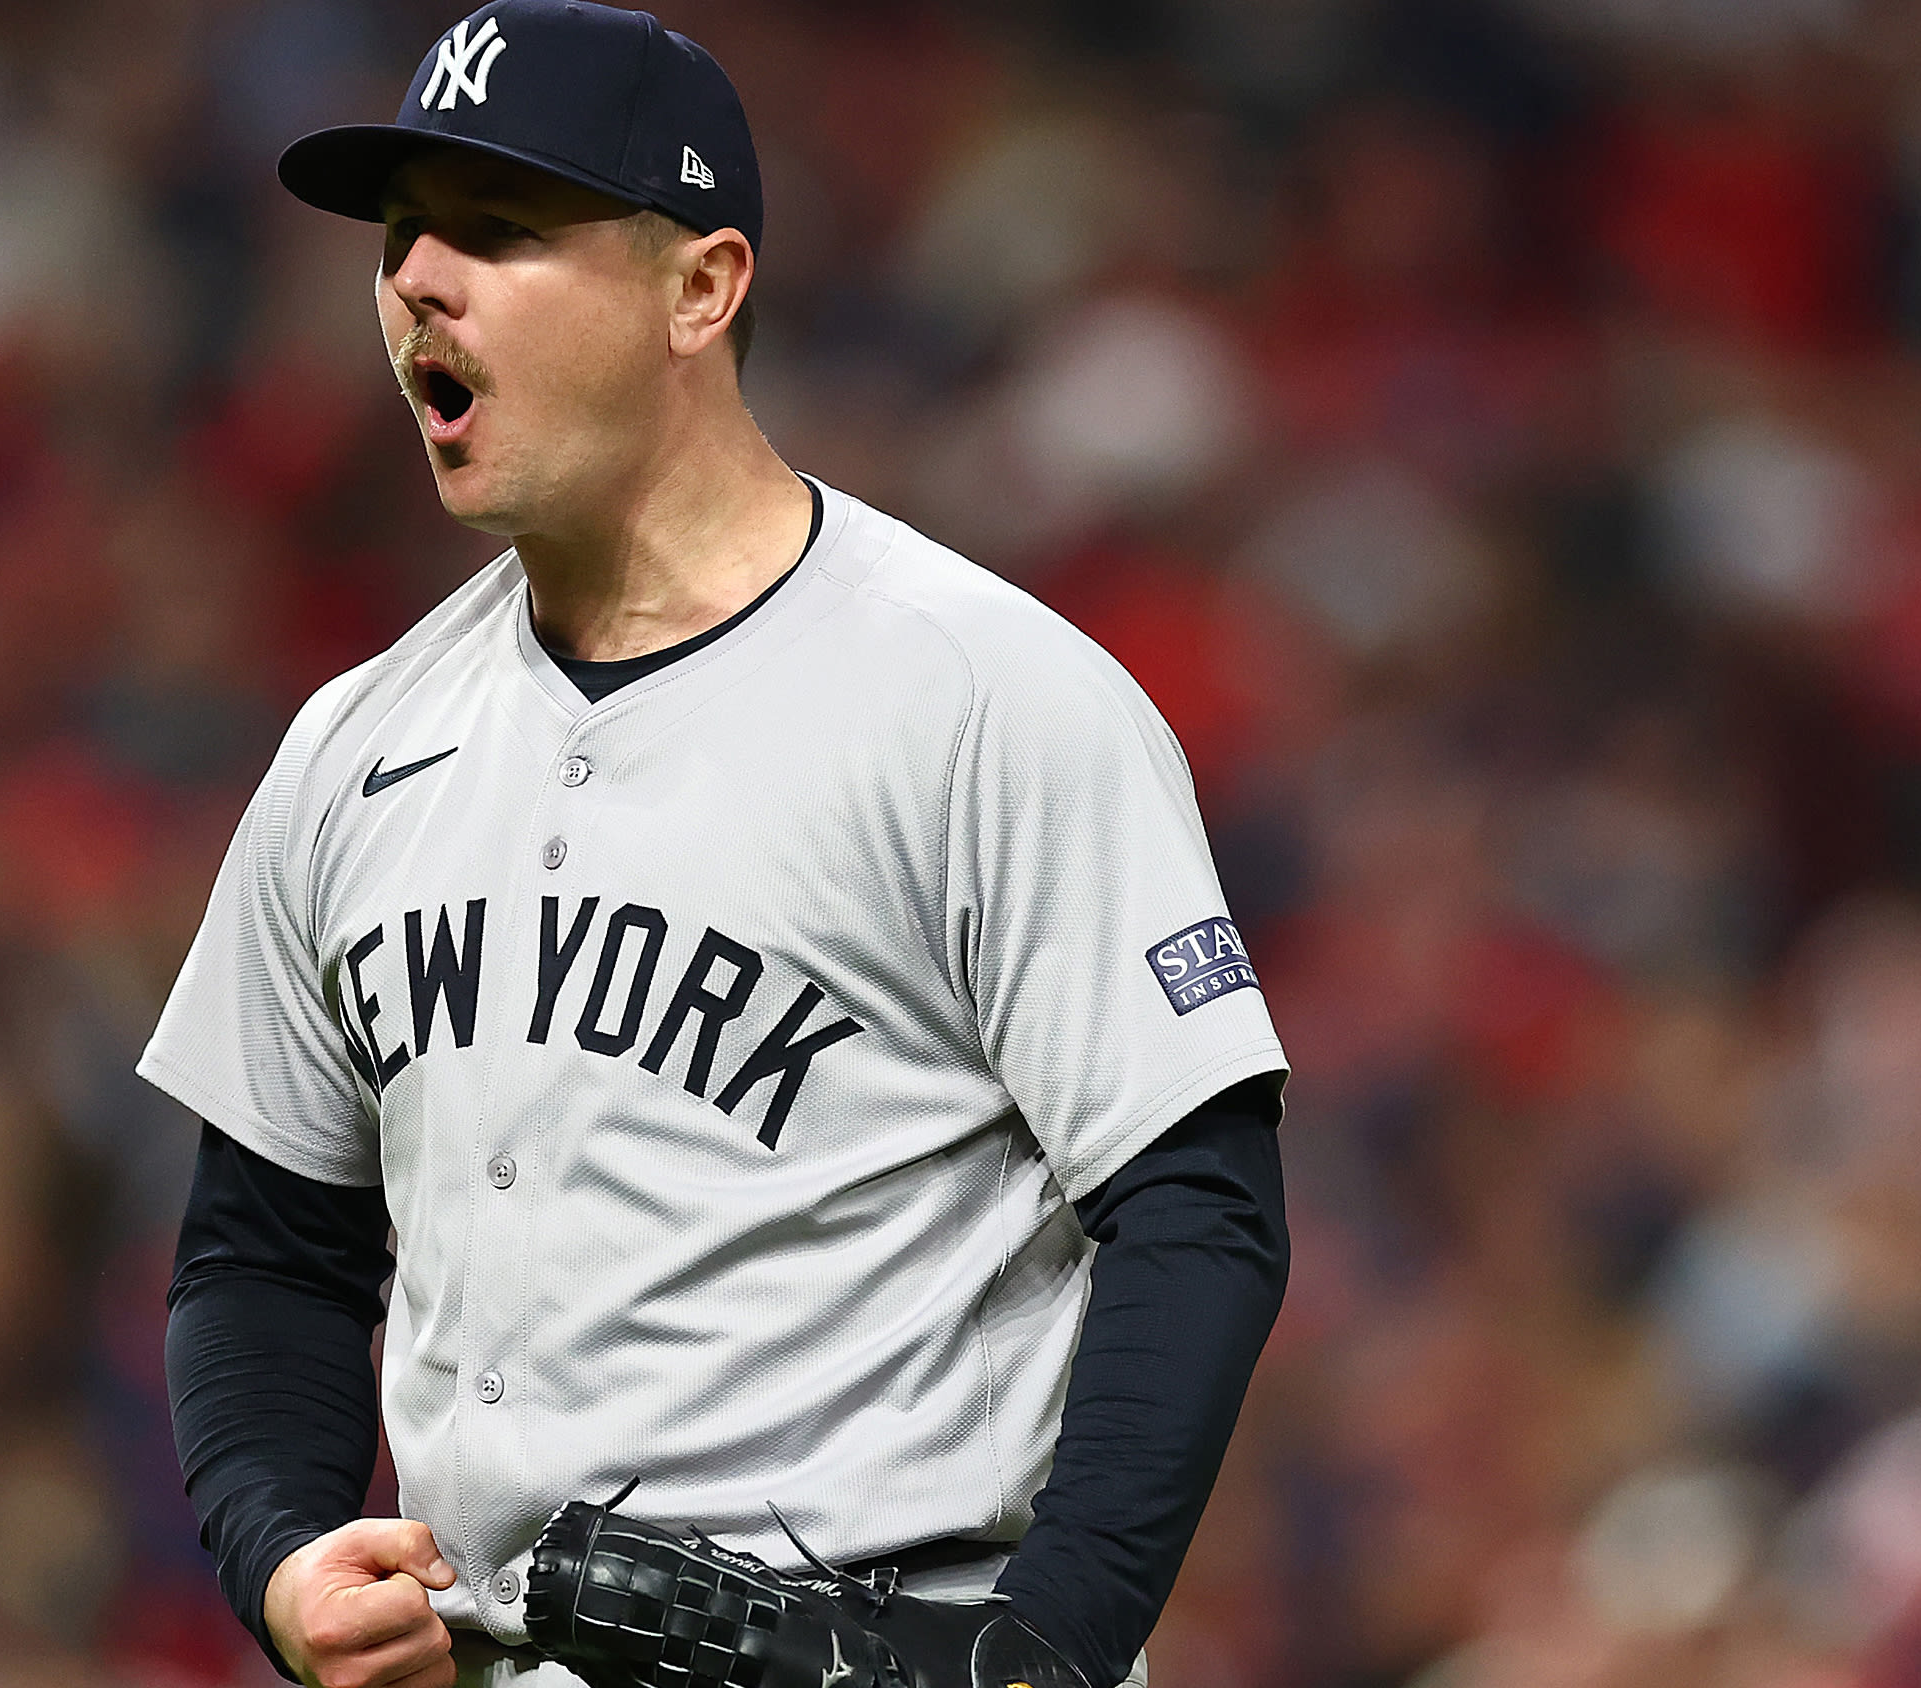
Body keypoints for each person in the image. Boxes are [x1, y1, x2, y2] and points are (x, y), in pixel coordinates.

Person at [144, 6, 1290, 1688]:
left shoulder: (984, 698)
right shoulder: (351, 751)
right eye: (401, 241)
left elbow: (1198, 1204)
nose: (416, 286)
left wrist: (1046, 1650)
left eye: (502, 232)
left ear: (702, 287)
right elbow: (265, 1251)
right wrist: (280, 1555)